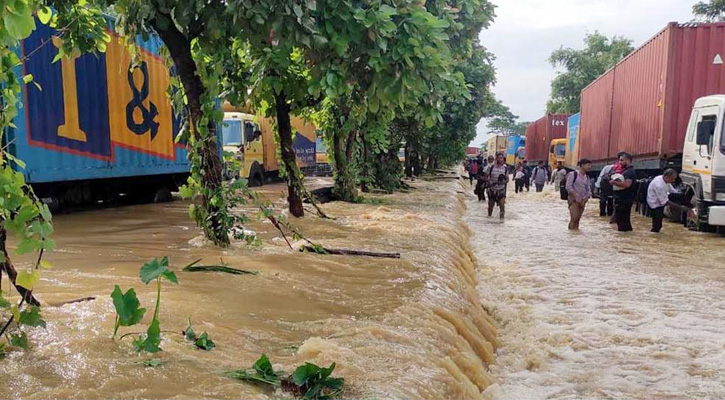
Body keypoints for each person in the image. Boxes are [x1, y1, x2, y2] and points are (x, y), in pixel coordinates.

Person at [647, 169, 679, 233]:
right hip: (655, 204)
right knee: (657, 225)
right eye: (672, 179)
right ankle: (654, 236)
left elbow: (672, 190)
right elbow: (665, 201)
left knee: (659, 224)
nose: (673, 181)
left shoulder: (664, 179)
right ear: (667, 177)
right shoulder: (658, 185)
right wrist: (680, 208)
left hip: (660, 202)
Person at [610, 152, 636, 232]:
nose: (620, 162)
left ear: (628, 160)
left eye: (621, 160)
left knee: (622, 223)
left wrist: (613, 182)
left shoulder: (629, 172)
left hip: (624, 201)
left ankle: (623, 239)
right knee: (624, 222)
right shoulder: (627, 171)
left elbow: (627, 184)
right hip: (624, 200)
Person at [566, 159, 593, 230]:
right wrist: (576, 196)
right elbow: (568, 187)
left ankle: (576, 235)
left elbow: (589, 190)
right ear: (582, 165)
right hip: (573, 200)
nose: (589, 167)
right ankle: (571, 234)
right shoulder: (573, 174)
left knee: (577, 220)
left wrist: (585, 199)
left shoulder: (587, 177)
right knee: (574, 219)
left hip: (583, 201)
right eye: (588, 165)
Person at [486, 152, 509, 219]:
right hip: (492, 190)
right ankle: (489, 219)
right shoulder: (491, 167)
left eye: (501, 158)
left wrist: (502, 182)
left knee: (502, 206)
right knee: (490, 206)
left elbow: (507, 179)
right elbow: (486, 176)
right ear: (496, 158)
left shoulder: (505, 168)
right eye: (498, 158)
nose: (500, 159)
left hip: (501, 190)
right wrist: (489, 182)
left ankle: (501, 221)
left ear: (503, 159)